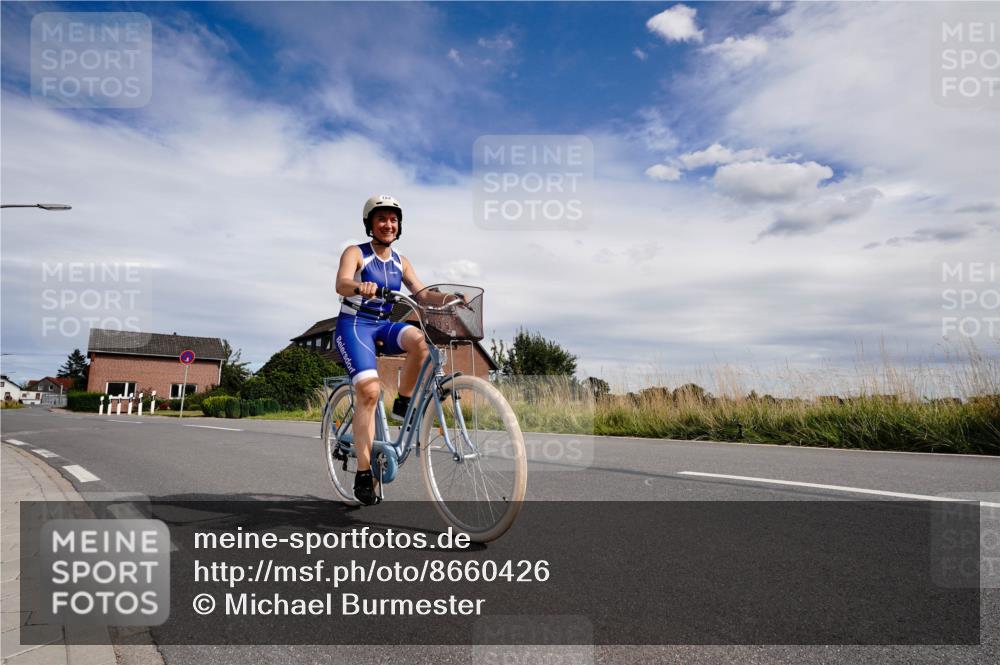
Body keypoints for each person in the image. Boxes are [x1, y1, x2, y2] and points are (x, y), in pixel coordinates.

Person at [333, 195, 431, 505]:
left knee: (419, 342)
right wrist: (359, 287)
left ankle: (402, 401)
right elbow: (341, 283)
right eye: (382, 219)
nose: (388, 224)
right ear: (370, 224)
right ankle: (363, 473)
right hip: (355, 326)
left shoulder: (401, 261)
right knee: (370, 392)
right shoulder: (356, 253)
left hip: (382, 324)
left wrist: (449, 298)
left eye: (393, 219)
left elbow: (422, 292)